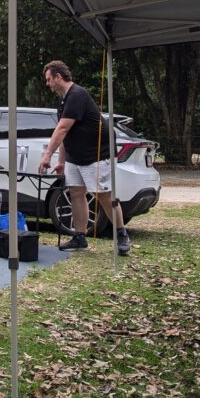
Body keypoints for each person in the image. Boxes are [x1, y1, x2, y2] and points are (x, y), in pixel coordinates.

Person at [37, 60, 130, 254]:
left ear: (58, 77)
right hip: (74, 156)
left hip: (96, 155)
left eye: (49, 79)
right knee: (76, 193)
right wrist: (61, 161)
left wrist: (47, 156)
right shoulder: (64, 101)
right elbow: (66, 133)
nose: (48, 84)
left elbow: (61, 128)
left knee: (104, 196)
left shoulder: (77, 95)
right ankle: (80, 237)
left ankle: (122, 234)